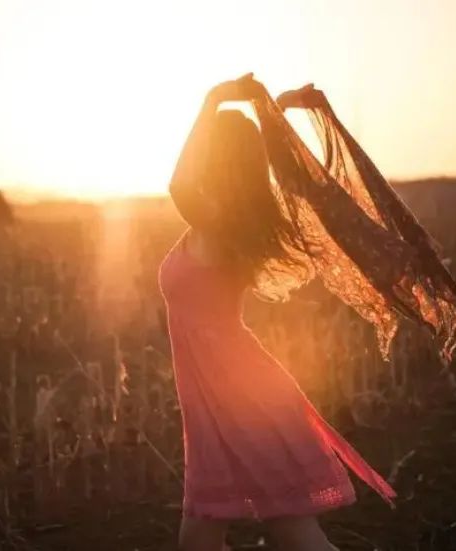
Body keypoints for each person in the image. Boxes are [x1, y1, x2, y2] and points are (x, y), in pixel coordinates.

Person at [159, 74, 396, 551]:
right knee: (217, 531)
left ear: (216, 161)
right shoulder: (231, 218)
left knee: (282, 530)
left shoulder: (220, 224)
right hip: (227, 398)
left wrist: (210, 102)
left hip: (240, 399)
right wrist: (272, 117)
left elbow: (177, 182)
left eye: (208, 148)